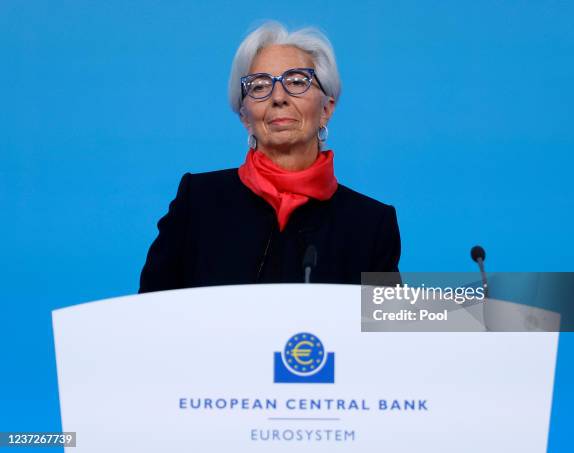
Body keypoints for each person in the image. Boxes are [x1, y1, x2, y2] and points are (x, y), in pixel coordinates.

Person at [138, 21, 401, 293]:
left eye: (297, 81)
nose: (278, 97)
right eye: (260, 86)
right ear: (244, 116)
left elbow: (395, 333)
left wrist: (448, 318)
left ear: (326, 108)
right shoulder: (197, 202)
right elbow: (149, 315)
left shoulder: (370, 224)